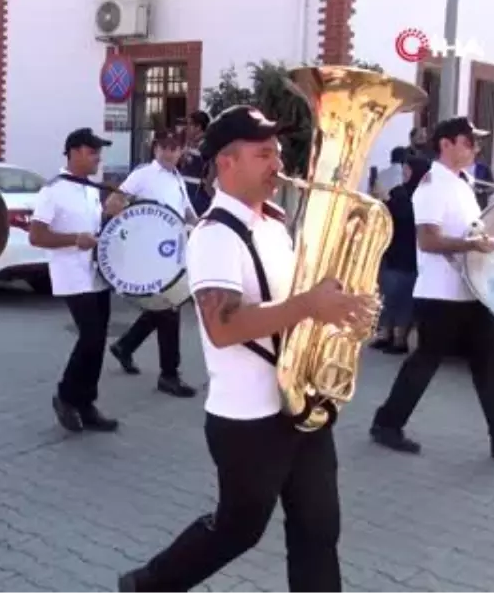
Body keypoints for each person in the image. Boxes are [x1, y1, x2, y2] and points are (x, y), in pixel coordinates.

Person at [119, 105, 373, 593]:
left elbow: (296, 302)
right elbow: (222, 326)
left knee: (318, 531)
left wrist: (338, 302)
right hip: (248, 420)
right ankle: (148, 585)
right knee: (238, 530)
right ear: (227, 162)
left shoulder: (274, 222)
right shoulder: (214, 235)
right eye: (264, 153)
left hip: (303, 403)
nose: (278, 162)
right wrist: (309, 304)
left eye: (277, 151)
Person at [369, 116, 494, 464]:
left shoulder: (462, 183)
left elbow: (470, 231)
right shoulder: (432, 185)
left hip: (470, 291)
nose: (476, 148)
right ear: (446, 144)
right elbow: (427, 241)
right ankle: (387, 424)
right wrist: (472, 245)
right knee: (425, 361)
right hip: (440, 294)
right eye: (469, 141)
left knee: (492, 361)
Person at [30, 128, 120, 433]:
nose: (98, 158)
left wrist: (111, 218)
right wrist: (73, 240)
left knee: (97, 342)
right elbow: (36, 235)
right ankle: (66, 396)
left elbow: (95, 232)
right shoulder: (53, 191)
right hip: (72, 275)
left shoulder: (91, 189)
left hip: (98, 274)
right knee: (91, 337)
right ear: (75, 152)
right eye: (94, 152)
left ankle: (86, 403)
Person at [104, 135, 198, 398]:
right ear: (155, 149)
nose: (169, 154)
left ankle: (125, 346)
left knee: (163, 306)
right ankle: (169, 375)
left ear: (181, 151)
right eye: (164, 148)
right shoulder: (143, 174)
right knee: (170, 307)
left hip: (172, 254)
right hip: (150, 255)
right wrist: (136, 226)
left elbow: (187, 212)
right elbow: (113, 205)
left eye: (174, 149)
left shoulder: (177, 178)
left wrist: (202, 226)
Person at [370, 155, 431, 354]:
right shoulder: (399, 191)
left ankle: (400, 340)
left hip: (410, 255)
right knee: (387, 294)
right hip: (392, 249)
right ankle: (385, 334)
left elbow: (407, 216)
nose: (404, 172)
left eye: (408, 169)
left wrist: (388, 201)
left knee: (403, 297)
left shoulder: (424, 195)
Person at [179, 110, 211, 215]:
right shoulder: (191, 142)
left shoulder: (206, 145)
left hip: (198, 194)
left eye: (189, 124)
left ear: (198, 127)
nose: (187, 128)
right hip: (187, 191)